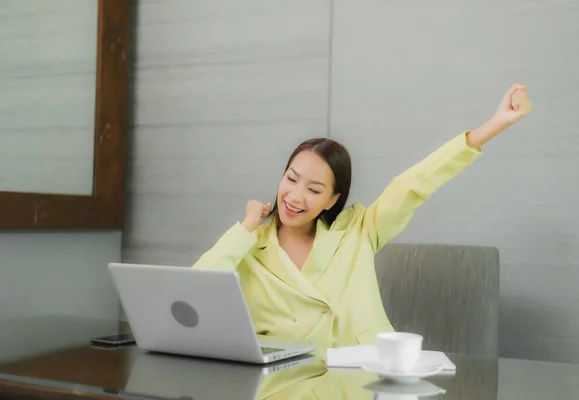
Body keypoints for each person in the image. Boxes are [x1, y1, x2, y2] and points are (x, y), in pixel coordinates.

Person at [193, 84, 532, 357]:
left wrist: (494, 126)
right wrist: (245, 227)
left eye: (314, 189)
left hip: (357, 380)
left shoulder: (359, 232)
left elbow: (413, 185)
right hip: (281, 386)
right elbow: (194, 292)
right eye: (291, 179)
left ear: (333, 199)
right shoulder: (250, 245)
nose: (295, 197)